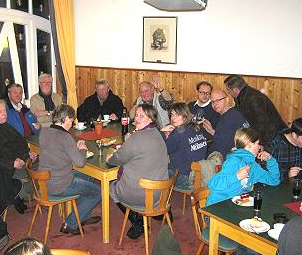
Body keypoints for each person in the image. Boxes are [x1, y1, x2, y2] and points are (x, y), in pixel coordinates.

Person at [106, 104, 169, 239]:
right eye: (137, 115)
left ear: (151, 119)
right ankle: (156, 213)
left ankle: (137, 221)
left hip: (143, 195)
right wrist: (130, 141)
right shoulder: (157, 133)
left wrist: (109, 157)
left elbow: (116, 159)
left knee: (111, 188)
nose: (137, 118)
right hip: (161, 193)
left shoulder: (136, 138)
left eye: (142, 116)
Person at [39, 104, 102, 235]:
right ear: (66, 118)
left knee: (88, 176)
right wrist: (82, 149)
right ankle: (71, 224)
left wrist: (73, 148)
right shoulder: (65, 137)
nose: (72, 124)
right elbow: (79, 162)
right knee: (99, 192)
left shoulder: (44, 132)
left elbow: (57, 150)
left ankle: (83, 215)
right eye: (72, 121)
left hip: (44, 182)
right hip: (61, 185)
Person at [0, 98, 38, 215]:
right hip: (5, 171)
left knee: (42, 163)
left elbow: (15, 144)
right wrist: (12, 163)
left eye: (4, 110)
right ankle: (20, 195)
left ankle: (21, 195)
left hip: (19, 160)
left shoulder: (2, 124)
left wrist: (27, 153)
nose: (4, 113)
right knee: (42, 170)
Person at [206, 127, 280, 206]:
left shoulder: (253, 166)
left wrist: (270, 160)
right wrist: (236, 176)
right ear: (249, 145)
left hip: (235, 206)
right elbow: (212, 184)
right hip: (216, 207)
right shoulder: (234, 161)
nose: (259, 147)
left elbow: (274, 180)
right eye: (257, 143)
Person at [224, 74, 287, 145]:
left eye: (228, 90)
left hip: (275, 138)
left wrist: (260, 143)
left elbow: (263, 124)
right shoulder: (243, 96)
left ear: (235, 90)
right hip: (268, 136)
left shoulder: (254, 98)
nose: (228, 93)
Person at [160, 102, 207, 188]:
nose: (173, 118)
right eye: (172, 115)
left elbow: (163, 150)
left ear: (185, 117)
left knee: (155, 171)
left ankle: (160, 199)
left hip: (185, 177)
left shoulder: (178, 133)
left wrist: (162, 132)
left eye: (177, 115)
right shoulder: (196, 127)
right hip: (201, 173)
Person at [202, 89, 250, 158]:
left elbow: (222, 145)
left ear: (227, 99)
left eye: (218, 100)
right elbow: (226, 137)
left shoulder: (230, 117)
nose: (215, 104)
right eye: (212, 102)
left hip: (231, 159)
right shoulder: (233, 113)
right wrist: (212, 132)